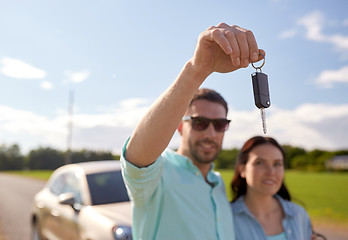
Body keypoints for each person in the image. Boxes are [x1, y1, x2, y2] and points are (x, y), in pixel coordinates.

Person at [121, 23, 265, 240]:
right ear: (180, 126)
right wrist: (198, 69)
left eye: (219, 125)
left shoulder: (218, 184)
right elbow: (138, 156)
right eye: (199, 122)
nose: (210, 133)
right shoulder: (159, 174)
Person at [230, 136, 313, 240]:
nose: (271, 172)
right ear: (242, 170)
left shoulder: (299, 215)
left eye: (277, 164)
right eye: (259, 162)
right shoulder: (226, 217)